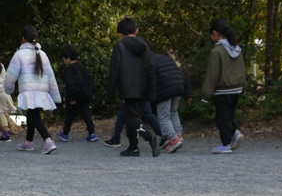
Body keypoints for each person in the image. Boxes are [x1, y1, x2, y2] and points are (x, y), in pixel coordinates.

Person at [106, 17, 160, 157]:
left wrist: (110, 91)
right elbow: (152, 67)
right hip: (144, 87)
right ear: (136, 31)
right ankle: (133, 147)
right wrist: (152, 89)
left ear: (120, 34)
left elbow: (115, 69)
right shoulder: (145, 46)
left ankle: (150, 138)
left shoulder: (120, 46)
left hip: (128, 87)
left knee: (132, 118)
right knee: (132, 116)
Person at [4, 25, 61, 155]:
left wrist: (8, 89)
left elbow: (11, 75)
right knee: (32, 114)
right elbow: (51, 76)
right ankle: (28, 142)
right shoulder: (43, 54)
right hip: (42, 93)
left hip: (29, 92)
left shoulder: (19, 54)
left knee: (33, 115)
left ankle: (48, 141)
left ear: (23, 39)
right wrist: (56, 96)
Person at [203, 18, 246, 154]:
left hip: (223, 90)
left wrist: (206, 94)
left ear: (215, 33)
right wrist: (244, 86)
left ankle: (226, 144)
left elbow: (212, 74)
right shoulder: (236, 49)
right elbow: (242, 69)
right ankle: (236, 132)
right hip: (237, 88)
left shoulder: (216, 52)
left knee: (222, 118)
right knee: (229, 114)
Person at [55, 44, 97, 143]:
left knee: (70, 115)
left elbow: (71, 85)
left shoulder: (70, 70)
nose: (64, 60)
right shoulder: (82, 67)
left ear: (68, 58)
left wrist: (71, 98)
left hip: (75, 97)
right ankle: (92, 133)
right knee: (86, 115)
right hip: (85, 95)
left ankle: (65, 134)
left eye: (64, 58)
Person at [153, 52, 193, 153]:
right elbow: (181, 75)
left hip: (165, 89)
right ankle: (179, 135)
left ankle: (174, 140)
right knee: (173, 112)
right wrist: (188, 93)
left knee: (163, 116)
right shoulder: (166, 58)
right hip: (179, 85)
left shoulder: (148, 61)